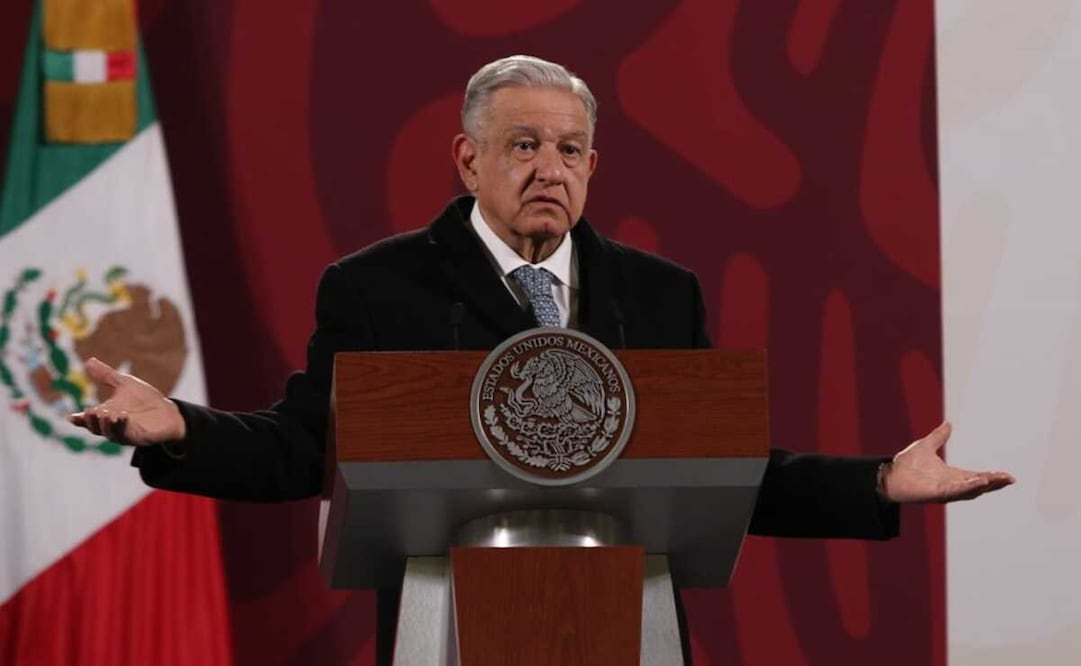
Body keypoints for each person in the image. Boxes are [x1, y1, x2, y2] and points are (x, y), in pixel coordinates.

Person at [70, 55, 1014, 662]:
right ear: (467, 159)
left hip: (629, 616)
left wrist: (880, 482)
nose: (547, 169)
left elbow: (723, 472)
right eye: (521, 145)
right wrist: (182, 429)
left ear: (595, 165)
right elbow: (303, 446)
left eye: (570, 149)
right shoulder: (377, 287)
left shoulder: (658, 292)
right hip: (445, 620)